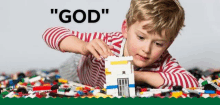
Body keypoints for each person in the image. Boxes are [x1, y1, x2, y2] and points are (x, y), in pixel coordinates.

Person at [42, 0, 198, 89]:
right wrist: (83, 47)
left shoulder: (163, 60)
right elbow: (50, 34)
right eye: (141, 37)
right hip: (78, 71)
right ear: (125, 29)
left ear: (168, 44)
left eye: (158, 43)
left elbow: (191, 82)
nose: (146, 49)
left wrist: (139, 76)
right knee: (62, 76)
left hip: (104, 89)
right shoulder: (108, 42)